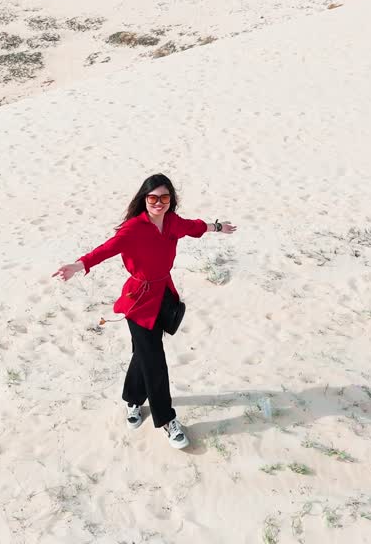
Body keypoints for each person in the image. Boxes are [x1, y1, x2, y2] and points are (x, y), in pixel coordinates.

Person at [53, 173, 237, 449]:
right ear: (144, 199)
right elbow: (105, 250)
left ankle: (132, 400)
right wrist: (78, 266)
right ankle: (166, 420)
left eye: (164, 198)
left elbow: (195, 226)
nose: (158, 203)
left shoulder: (173, 223)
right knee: (155, 360)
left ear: (170, 200)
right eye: (153, 198)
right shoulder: (133, 228)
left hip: (163, 296)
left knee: (143, 353)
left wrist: (218, 226)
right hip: (138, 301)